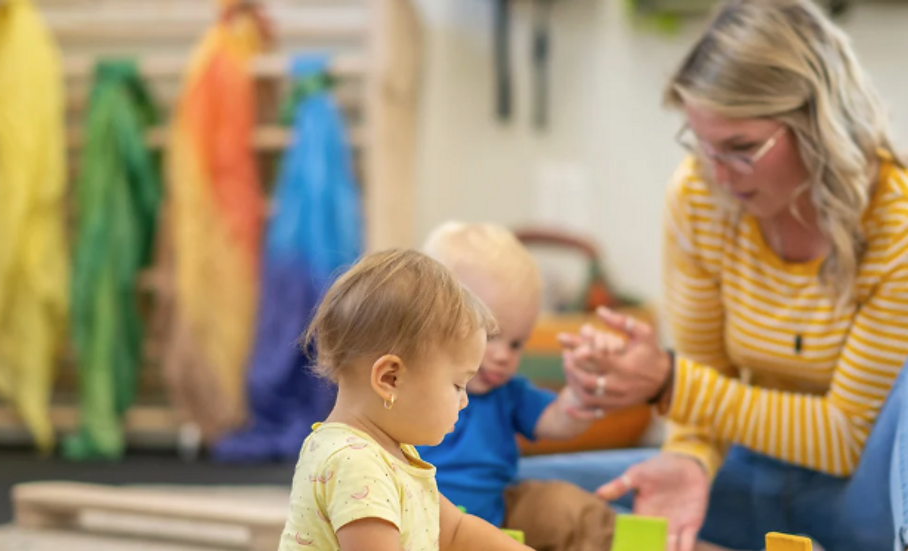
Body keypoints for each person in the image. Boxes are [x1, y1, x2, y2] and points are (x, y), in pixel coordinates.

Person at [518, 0, 908, 549]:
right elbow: (707, 378)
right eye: (700, 143)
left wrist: (668, 382)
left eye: (741, 148)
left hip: (865, 497)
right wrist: (689, 460)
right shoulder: (698, 193)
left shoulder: (896, 219)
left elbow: (844, 438)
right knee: (513, 492)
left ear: (816, 126)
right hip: (755, 466)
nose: (718, 174)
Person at [279, 249, 533, 551]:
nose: (464, 401)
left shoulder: (386, 453)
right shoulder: (355, 464)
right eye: (457, 384)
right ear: (390, 379)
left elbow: (455, 531)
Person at [416, 222, 616, 551]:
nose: (503, 357)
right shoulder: (412, 387)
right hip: (416, 527)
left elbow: (559, 420)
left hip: (495, 525)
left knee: (565, 507)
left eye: (517, 343)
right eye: (491, 336)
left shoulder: (508, 394)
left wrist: (583, 391)